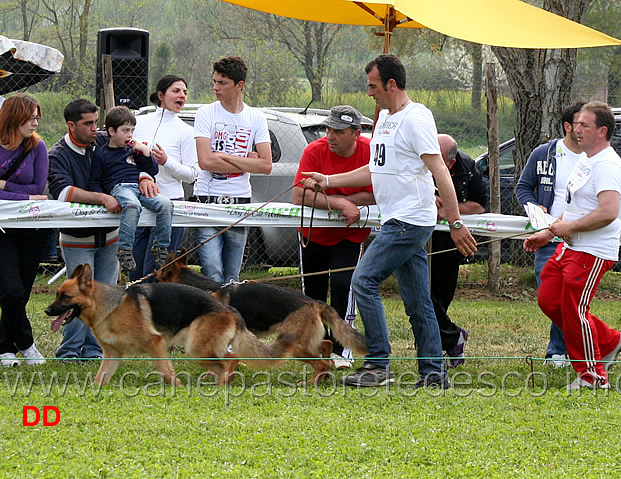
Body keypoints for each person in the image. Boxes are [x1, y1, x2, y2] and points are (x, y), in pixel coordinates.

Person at [301, 54, 477, 389]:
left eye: (373, 86)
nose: (369, 93)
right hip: (397, 218)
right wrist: (328, 179)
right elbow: (375, 170)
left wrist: (455, 223)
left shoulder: (416, 117)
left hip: (409, 221)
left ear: (391, 85)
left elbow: (439, 169)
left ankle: (378, 363)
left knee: (363, 281)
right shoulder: (383, 120)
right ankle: (433, 374)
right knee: (418, 301)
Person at [524, 101, 621, 390]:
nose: (577, 129)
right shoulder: (586, 159)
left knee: (574, 311)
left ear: (602, 131)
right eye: (576, 123)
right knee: (549, 300)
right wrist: (548, 233)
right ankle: (608, 340)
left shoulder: (607, 164)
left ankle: (593, 377)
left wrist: (568, 228)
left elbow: (608, 211)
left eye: (585, 125)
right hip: (569, 247)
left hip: (593, 251)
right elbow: (574, 208)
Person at [292, 105, 375, 370]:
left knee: (342, 284)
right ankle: (317, 347)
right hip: (313, 234)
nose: (331, 135)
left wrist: (342, 201)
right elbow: (298, 195)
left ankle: (342, 349)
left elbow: (376, 194)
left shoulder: (370, 151)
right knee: (313, 295)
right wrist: (340, 203)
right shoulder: (313, 151)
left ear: (356, 133)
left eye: (339, 131)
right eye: (329, 128)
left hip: (349, 235)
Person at [49, 99, 120, 361]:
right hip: (77, 238)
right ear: (71, 125)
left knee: (105, 296)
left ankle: (94, 350)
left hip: (110, 236)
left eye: (96, 122)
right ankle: (69, 351)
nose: (95, 128)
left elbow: (127, 163)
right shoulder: (57, 154)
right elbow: (64, 192)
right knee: (76, 297)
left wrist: (145, 176)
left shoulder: (104, 142)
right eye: (88, 123)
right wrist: (102, 198)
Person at [516, 102, 585, 369]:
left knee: (572, 296)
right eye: (581, 124)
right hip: (547, 238)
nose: (585, 130)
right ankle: (566, 348)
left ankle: (560, 350)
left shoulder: (596, 157)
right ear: (568, 126)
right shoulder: (544, 154)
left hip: (581, 239)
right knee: (550, 295)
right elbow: (523, 187)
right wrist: (534, 208)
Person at [193, 56, 272, 282]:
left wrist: (226, 156)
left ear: (239, 85)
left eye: (222, 83)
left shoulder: (255, 117)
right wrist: (246, 160)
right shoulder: (206, 113)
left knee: (232, 275)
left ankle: (229, 315)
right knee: (212, 269)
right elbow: (206, 161)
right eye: (214, 81)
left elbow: (266, 165)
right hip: (207, 197)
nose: (215, 87)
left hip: (239, 199)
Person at [129, 75, 199, 282]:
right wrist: (142, 174)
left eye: (185, 92)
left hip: (170, 205)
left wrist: (166, 161)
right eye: (176, 91)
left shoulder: (186, 131)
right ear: (161, 95)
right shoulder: (138, 123)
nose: (182, 96)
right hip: (139, 203)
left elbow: (191, 174)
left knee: (155, 274)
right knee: (135, 271)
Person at [89, 106, 173, 272]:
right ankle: (125, 248)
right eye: (125, 130)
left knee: (165, 204)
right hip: (120, 188)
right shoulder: (102, 153)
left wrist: (146, 153)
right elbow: (95, 180)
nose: (129, 135)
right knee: (133, 206)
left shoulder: (134, 151)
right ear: (112, 131)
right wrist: (103, 198)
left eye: (132, 130)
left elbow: (152, 171)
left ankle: (161, 246)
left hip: (140, 188)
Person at [0, 93, 49, 367]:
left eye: (37, 117)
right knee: (10, 290)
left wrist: (4, 187)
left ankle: (5, 347)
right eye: (31, 117)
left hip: (31, 227)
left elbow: (37, 190)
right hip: (2, 227)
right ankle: (27, 345)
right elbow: (29, 194)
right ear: (14, 117)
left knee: (23, 290)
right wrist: (25, 196)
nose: (35, 123)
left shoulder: (37, 147)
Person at [432, 134, 488, 367]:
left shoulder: (468, 168)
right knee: (420, 297)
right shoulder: (416, 162)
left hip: (449, 241)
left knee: (440, 298)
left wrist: (448, 208)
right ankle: (451, 337)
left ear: (451, 163)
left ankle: (444, 344)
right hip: (418, 238)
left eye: (437, 158)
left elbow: (479, 206)